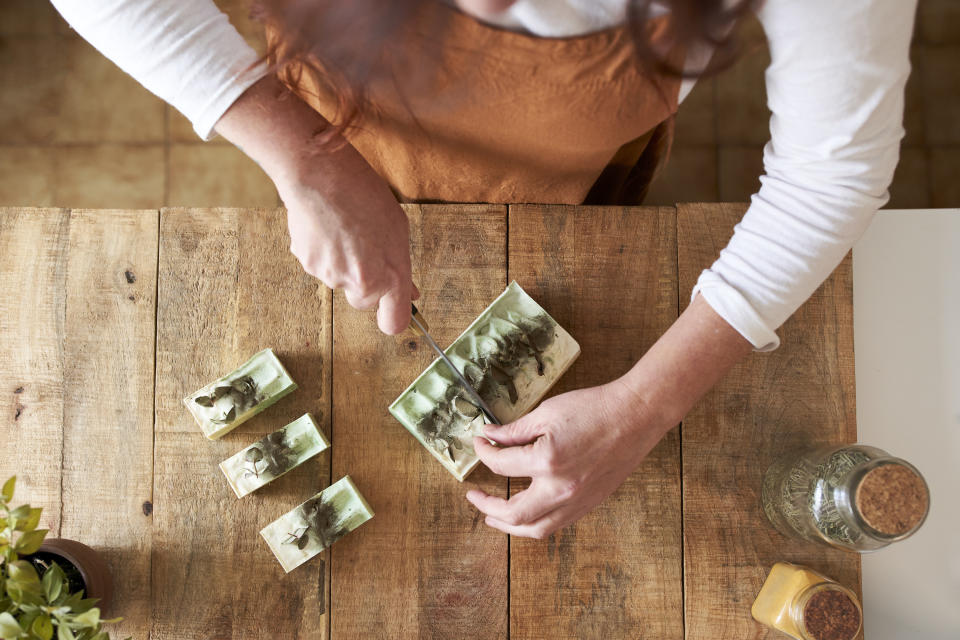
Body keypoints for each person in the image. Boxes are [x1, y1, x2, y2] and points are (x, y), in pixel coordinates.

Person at [49, 0, 916, 539]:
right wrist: (305, 155)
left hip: (562, 162)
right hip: (329, 114)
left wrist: (647, 405)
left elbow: (833, 172)